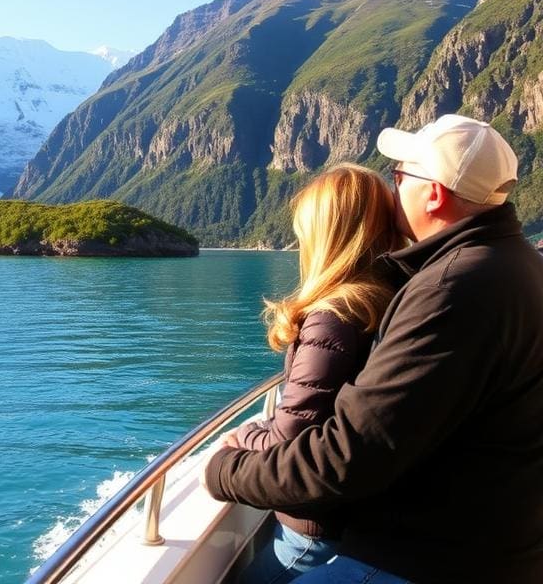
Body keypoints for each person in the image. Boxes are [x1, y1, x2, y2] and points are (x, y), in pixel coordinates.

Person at [203, 114, 543, 583]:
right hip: (491, 542)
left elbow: (348, 456)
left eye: (400, 175)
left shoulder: (451, 288)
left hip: (429, 556)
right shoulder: (519, 265)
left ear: (435, 193)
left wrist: (224, 471)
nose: (393, 187)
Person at [223, 164, 403, 584]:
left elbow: (291, 437)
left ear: (326, 236)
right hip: (359, 517)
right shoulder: (391, 300)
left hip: (312, 533)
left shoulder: (333, 317)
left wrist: (244, 435)